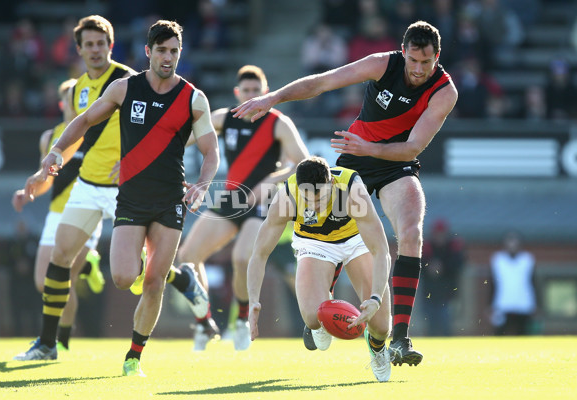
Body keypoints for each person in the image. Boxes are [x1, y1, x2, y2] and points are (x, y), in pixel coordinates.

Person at [233, 20, 458, 366]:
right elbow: (323, 82)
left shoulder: (445, 91)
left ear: (436, 57)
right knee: (330, 234)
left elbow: (412, 148)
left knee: (411, 233)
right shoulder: (382, 64)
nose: (417, 70)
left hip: (393, 161)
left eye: (425, 63)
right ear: (403, 52)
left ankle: (399, 338)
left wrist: (371, 148)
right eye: (413, 60)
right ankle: (321, 307)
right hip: (354, 160)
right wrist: (274, 96)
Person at [20, 20, 220, 378]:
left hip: (170, 198)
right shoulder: (125, 88)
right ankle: (51, 339)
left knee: (155, 281)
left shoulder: (193, 97)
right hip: (128, 198)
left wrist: (203, 183)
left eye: (174, 51)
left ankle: (134, 357)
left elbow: (210, 151)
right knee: (124, 278)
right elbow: (83, 121)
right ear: (148, 52)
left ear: (180, 53)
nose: (168, 57)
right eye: (161, 50)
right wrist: (55, 152)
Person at [177, 65, 309, 351]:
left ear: (265, 93)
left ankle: (240, 320)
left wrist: (270, 181)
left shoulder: (278, 122)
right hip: (232, 199)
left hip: (260, 202)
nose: (251, 96)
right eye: (246, 91)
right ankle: (204, 320)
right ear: (238, 94)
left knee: (241, 258)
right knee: (187, 256)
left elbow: (304, 163)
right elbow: (182, 139)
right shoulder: (224, 118)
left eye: (256, 91)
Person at [247, 156, 392, 382]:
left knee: (382, 326)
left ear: (332, 185)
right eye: (308, 199)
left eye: (321, 198)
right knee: (314, 318)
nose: (314, 205)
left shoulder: (352, 189)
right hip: (314, 243)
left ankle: (377, 347)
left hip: (356, 240)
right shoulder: (287, 195)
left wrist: (375, 298)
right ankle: (321, 313)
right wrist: (253, 301)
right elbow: (259, 254)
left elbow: (381, 250)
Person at [11, 78, 106, 349]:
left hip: (85, 212)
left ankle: (59, 341)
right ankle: (90, 263)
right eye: (73, 99)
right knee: (44, 282)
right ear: (65, 102)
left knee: (66, 277)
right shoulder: (50, 138)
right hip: (56, 213)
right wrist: (27, 191)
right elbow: (49, 179)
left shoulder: (94, 134)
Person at [421, 218, 464, 336]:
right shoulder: (427, 246)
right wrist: (429, 267)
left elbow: (459, 264)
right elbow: (419, 265)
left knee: (447, 326)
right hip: (430, 294)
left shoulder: (452, 247)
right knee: (431, 326)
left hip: (448, 295)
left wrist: (442, 267)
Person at [489, 231, 537, 336]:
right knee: (500, 335)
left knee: (523, 335)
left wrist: (536, 304)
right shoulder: (498, 260)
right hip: (503, 304)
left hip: (523, 305)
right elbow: (493, 284)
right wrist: (490, 304)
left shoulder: (527, 260)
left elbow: (533, 283)